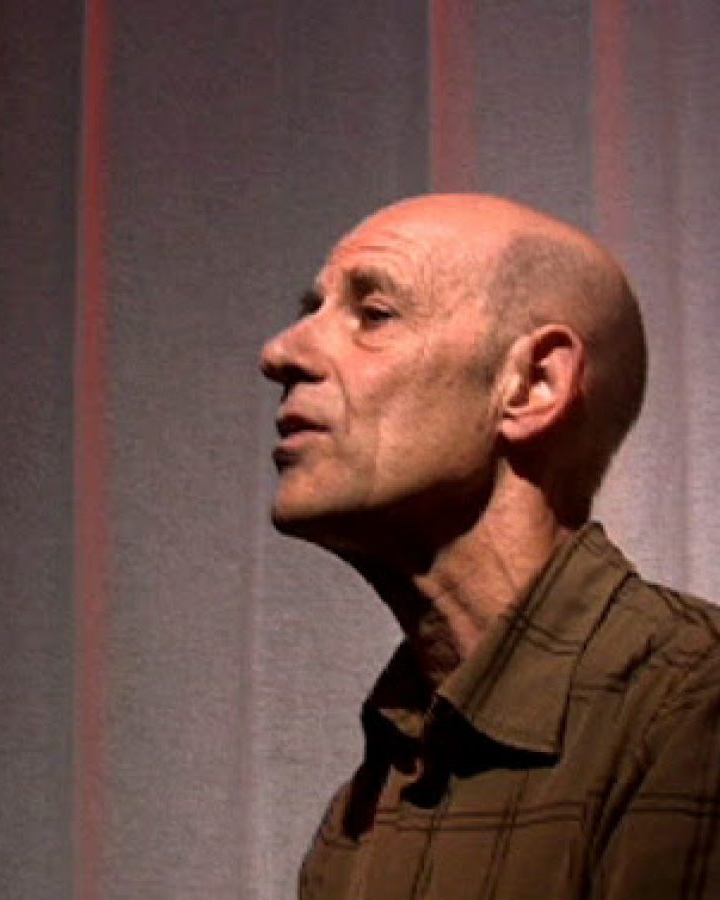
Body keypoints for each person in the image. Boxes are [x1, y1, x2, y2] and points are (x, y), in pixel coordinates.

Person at [260, 194, 720, 900]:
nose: (280, 352)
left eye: (374, 314)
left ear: (533, 384)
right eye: (313, 308)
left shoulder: (690, 706)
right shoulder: (372, 794)